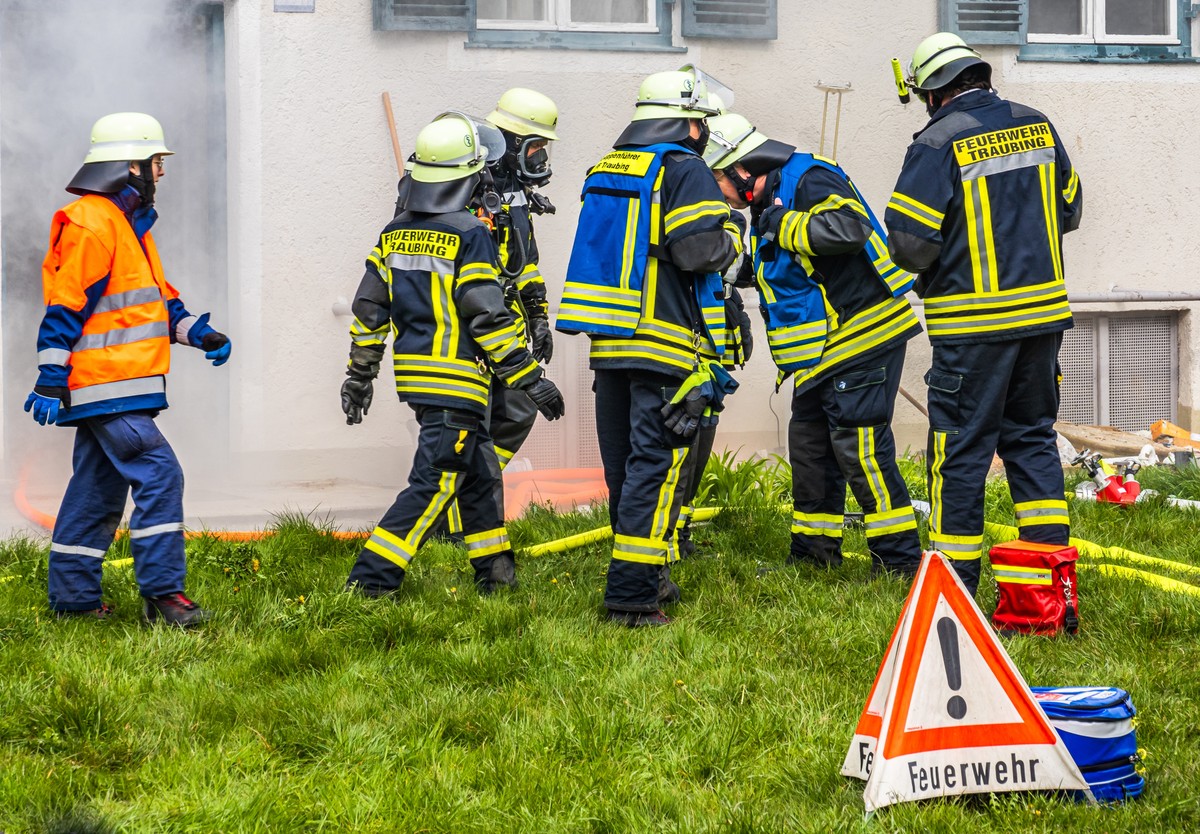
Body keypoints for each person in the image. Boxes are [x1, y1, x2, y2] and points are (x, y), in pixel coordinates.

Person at [886, 33, 1083, 595]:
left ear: (931, 92)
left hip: (973, 327)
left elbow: (907, 241)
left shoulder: (937, 142)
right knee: (1030, 439)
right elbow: (1069, 207)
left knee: (962, 448)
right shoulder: (1037, 125)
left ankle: (954, 589)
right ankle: (1049, 581)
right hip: (1043, 319)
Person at [342, 112, 565, 597]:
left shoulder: (393, 233)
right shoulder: (470, 234)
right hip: (458, 383)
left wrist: (359, 376)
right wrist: (531, 379)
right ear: (469, 175)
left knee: (481, 476)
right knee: (435, 484)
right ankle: (370, 582)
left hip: (419, 380)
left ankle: (496, 576)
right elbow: (489, 319)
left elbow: (369, 311)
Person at [27, 112, 231, 626]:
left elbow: (153, 305)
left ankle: (73, 602)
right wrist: (50, 376)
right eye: (156, 162)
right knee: (160, 473)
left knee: (96, 489)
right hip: (104, 385)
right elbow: (65, 307)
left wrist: (197, 333)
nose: (161, 172)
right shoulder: (93, 222)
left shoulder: (126, 224)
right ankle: (164, 597)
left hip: (120, 385)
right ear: (130, 166)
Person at [557, 66, 742, 627]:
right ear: (689, 125)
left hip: (610, 340)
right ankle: (632, 597)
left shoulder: (610, 166)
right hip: (663, 341)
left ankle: (652, 576)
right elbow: (695, 252)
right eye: (701, 123)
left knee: (625, 466)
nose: (704, 134)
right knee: (654, 467)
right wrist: (731, 232)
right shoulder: (684, 170)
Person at [702, 112, 925, 577]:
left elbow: (847, 231)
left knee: (861, 449)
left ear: (742, 169)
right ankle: (813, 558)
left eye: (718, 180)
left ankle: (899, 561)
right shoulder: (770, 199)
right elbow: (787, 265)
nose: (719, 193)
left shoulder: (810, 178)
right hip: (822, 353)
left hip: (863, 335)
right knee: (810, 448)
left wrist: (781, 224)